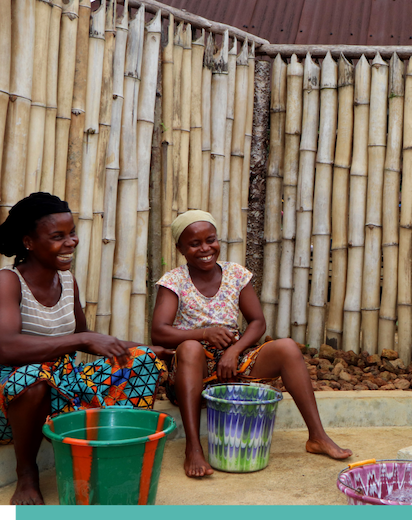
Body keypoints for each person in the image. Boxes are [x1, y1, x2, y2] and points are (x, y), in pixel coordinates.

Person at [150, 210, 352, 478]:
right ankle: (194, 449)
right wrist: (203, 334)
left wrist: (233, 350)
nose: (205, 249)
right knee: (189, 348)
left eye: (210, 240)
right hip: (191, 372)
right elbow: (159, 333)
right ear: (180, 249)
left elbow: (257, 322)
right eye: (194, 244)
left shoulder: (235, 274)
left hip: (233, 364)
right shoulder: (174, 281)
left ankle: (317, 436)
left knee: (288, 347)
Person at [0, 192, 169, 505]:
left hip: (66, 385)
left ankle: (114, 452)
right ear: (28, 242)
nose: (71, 242)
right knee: (33, 379)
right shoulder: (8, 282)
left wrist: (148, 348)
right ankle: (26, 474)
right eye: (57, 236)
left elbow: (84, 334)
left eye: (72, 233)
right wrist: (81, 341)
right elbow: (6, 347)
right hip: (13, 398)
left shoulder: (67, 280)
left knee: (143, 362)